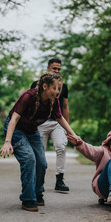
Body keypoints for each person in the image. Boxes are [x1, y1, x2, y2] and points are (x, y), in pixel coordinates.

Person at [0, 71, 78, 212]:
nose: (57, 91)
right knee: (29, 159)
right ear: (45, 87)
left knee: (41, 162)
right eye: (55, 88)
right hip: (17, 129)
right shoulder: (28, 96)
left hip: (32, 130)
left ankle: (37, 193)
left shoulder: (53, 102)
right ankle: (28, 199)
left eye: (59, 88)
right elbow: (14, 119)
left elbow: (60, 119)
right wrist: (7, 141)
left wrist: (73, 134)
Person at [30, 58, 70, 192]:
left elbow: (65, 107)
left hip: (57, 122)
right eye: (54, 68)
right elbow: (32, 105)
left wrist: (67, 129)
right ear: (48, 68)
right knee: (40, 151)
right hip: (41, 123)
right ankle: (38, 180)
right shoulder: (37, 84)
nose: (57, 71)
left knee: (61, 147)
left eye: (59, 69)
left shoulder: (63, 86)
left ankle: (60, 180)